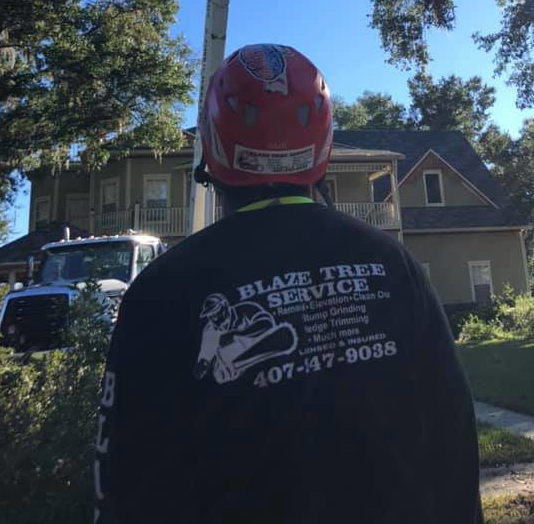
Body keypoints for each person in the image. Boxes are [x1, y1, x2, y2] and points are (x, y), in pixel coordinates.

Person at [94, 44, 482, 524]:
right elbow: (453, 440)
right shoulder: (394, 266)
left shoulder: (159, 293)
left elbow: (123, 483)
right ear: (322, 146)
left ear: (212, 146)